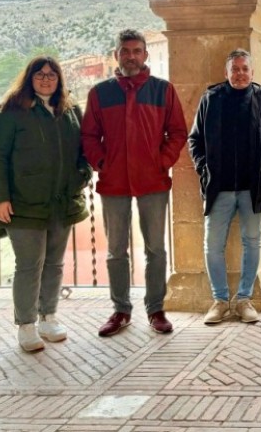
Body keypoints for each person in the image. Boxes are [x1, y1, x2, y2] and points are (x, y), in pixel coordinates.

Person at [81, 29, 188, 337]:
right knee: (116, 250)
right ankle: (120, 310)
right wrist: (102, 163)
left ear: (145, 55)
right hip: (114, 183)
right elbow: (89, 136)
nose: (131, 55)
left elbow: (177, 132)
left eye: (137, 50)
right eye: (125, 50)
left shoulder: (162, 91)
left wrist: (161, 161)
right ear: (116, 55)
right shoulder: (99, 93)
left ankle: (156, 309)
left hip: (153, 181)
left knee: (155, 249)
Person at [0, 56, 91, 351]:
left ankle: (48, 317)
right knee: (29, 265)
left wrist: (82, 175)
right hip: (23, 204)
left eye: (51, 74)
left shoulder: (70, 111)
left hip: (61, 203)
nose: (46, 79)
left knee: (54, 264)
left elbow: (85, 150)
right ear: (29, 77)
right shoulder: (11, 111)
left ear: (59, 79)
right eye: (39, 74)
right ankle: (27, 325)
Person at [188, 49, 261, 325]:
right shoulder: (211, 99)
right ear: (227, 73)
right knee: (212, 245)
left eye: (245, 69)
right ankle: (220, 300)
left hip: (252, 187)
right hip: (218, 187)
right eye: (235, 69)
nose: (240, 74)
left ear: (252, 73)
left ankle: (243, 299)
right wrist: (203, 168)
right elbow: (194, 139)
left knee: (252, 242)